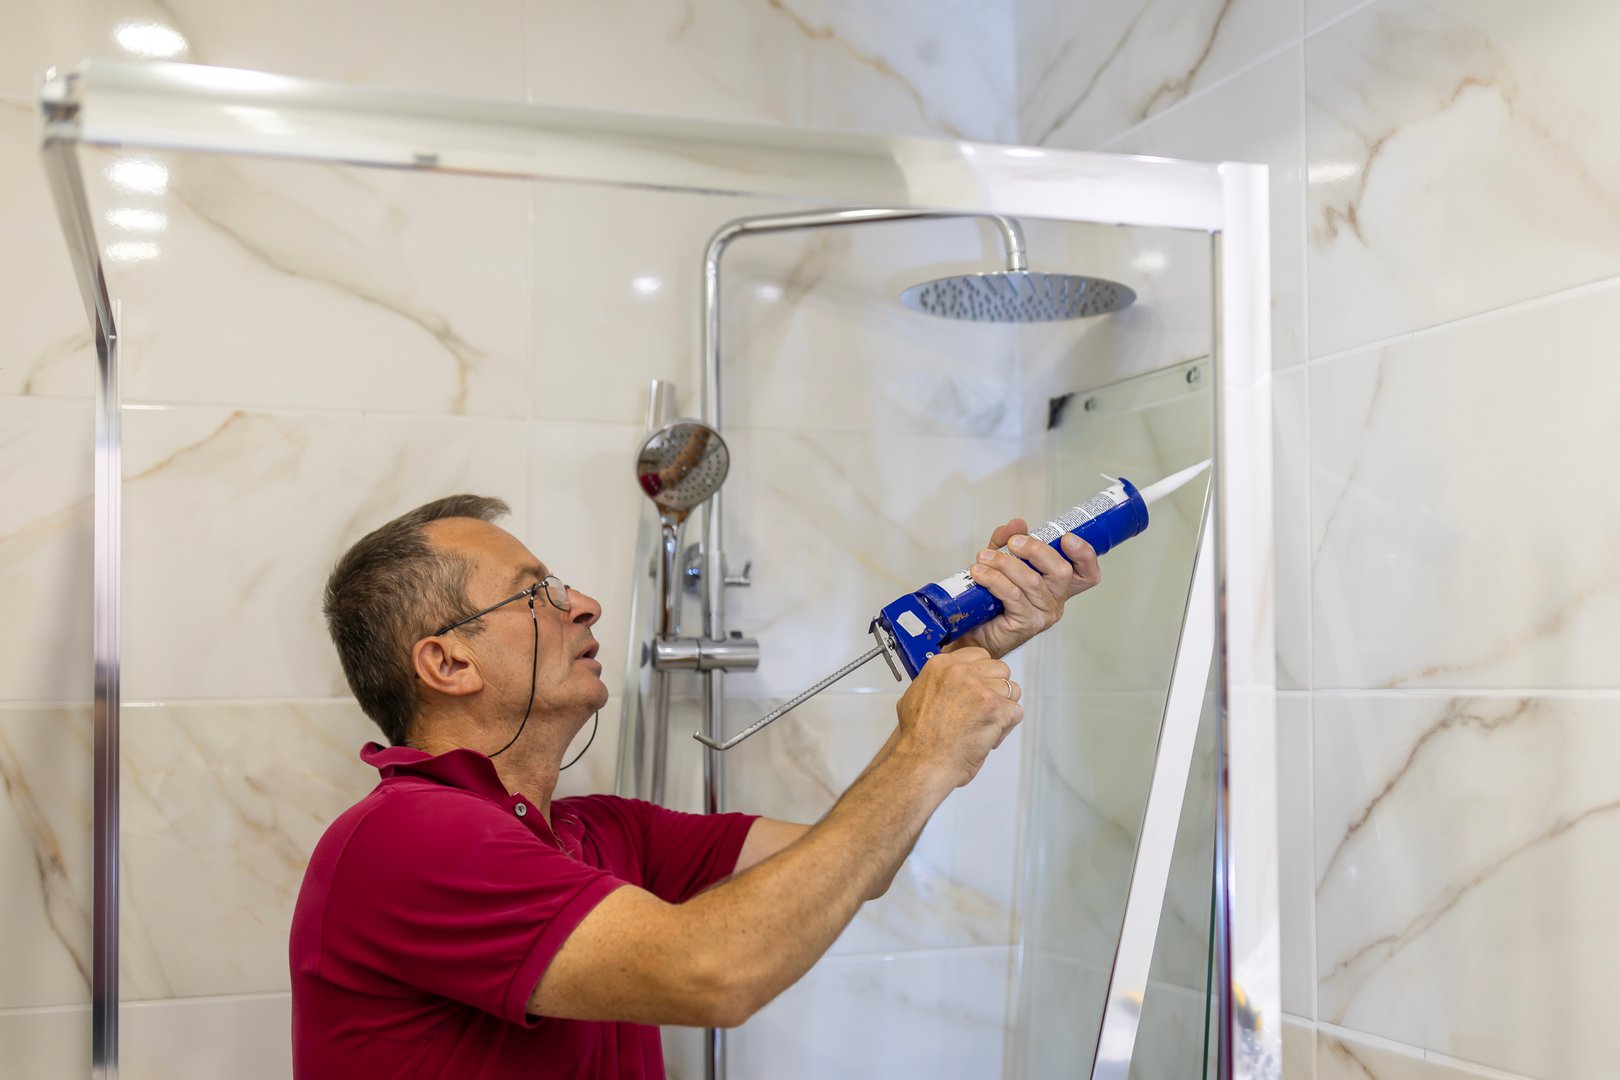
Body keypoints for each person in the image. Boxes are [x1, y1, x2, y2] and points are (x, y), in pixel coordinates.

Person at [290, 494, 1100, 1079]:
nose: (586, 605)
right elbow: (713, 972)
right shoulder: (405, 840)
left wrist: (972, 650)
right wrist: (925, 753)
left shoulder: (597, 834)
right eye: (537, 592)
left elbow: (858, 864)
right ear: (447, 663)